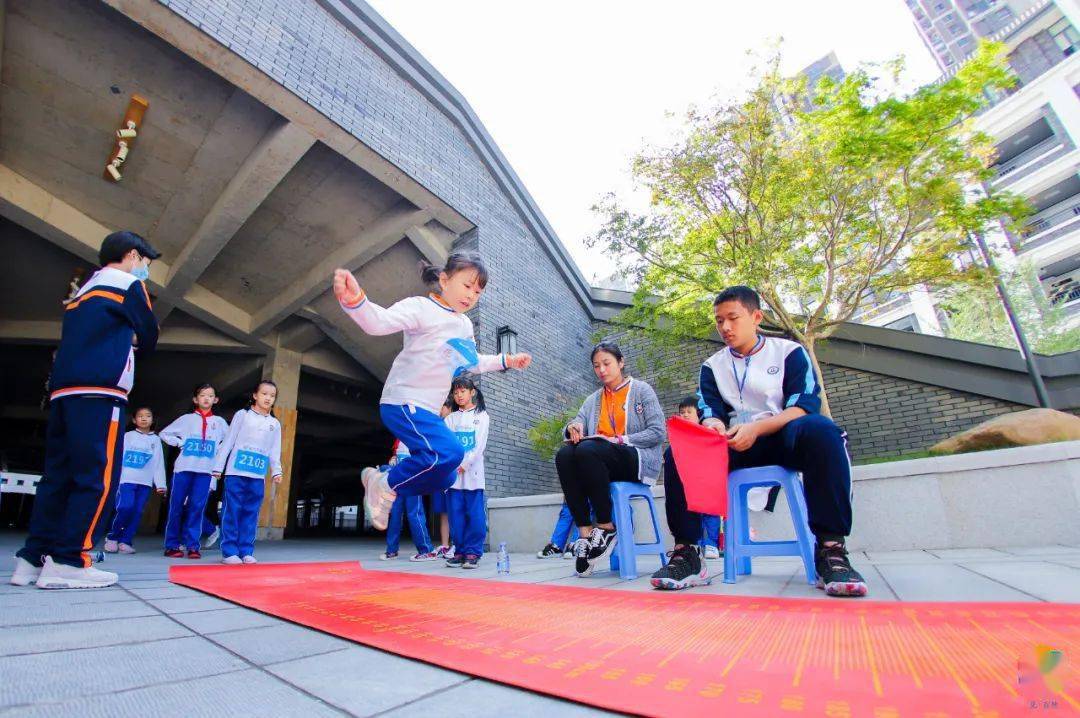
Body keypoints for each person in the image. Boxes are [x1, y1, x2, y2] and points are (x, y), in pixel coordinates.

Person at [651, 286, 868, 597]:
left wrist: (757, 428)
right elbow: (710, 412)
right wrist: (715, 427)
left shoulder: (789, 352)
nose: (725, 327)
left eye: (733, 318)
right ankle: (688, 553)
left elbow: (803, 405)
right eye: (719, 321)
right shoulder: (712, 366)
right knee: (679, 453)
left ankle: (831, 550)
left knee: (822, 431)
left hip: (781, 435)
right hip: (733, 442)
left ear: (756, 317)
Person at [333, 252, 531, 530]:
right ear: (444, 280)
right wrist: (355, 301)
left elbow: (471, 362)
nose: (471, 295)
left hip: (427, 411)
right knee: (451, 453)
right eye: (467, 285)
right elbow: (378, 322)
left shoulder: (464, 324)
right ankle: (385, 486)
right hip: (403, 401)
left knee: (445, 476)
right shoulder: (421, 307)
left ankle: (382, 480)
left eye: (478, 291)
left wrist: (506, 361)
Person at [12, 230, 159, 589]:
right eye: (145, 261)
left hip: (65, 392)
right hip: (101, 392)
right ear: (132, 255)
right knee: (96, 478)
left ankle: (33, 558)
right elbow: (149, 333)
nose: (146, 268)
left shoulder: (84, 289)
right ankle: (70, 559)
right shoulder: (129, 284)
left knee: (57, 478)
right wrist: (132, 340)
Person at [556, 341, 666, 577]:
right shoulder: (593, 399)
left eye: (606, 363)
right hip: (599, 461)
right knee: (564, 455)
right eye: (596, 366)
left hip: (635, 458)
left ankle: (606, 526)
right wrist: (573, 427)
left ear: (621, 362)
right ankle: (585, 534)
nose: (602, 370)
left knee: (588, 449)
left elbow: (658, 432)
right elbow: (577, 422)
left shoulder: (642, 390)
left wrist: (620, 440)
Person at [212, 381, 284, 564]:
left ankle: (246, 550)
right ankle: (229, 551)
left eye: (272, 395)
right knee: (232, 511)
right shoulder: (242, 415)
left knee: (251, 513)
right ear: (255, 395)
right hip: (236, 473)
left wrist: (276, 471)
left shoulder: (274, 424)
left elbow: (274, 450)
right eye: (264, 394)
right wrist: (218, 467)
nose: (268, 398)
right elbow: (229, 441)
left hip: (257, 475)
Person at [160, 384, 230, 559]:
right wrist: (180, 443)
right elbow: (164, 434)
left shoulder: (220, 422)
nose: (206, 398)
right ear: (195, 399)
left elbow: (229, 441)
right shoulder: (186, 419)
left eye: (210, 396)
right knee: (176, 507)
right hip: (184, 468)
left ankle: (192, 546)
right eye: (203, 395)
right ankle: (171, 545)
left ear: (216, 400)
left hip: (205, 471)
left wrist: (218, 451)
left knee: (197, 508)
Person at [104, 407, 166, 554]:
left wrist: (161, 484)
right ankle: (112, 537)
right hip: (126, 480)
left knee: (137, 511)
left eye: (148, 416)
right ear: (134, 420)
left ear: (152, 420)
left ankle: (125, 541)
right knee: (125, 507)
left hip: (145, 483)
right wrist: (114, 476)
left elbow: (158, 463)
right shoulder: (127, 436)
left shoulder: (156, 440)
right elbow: (118, 457)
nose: (144, 418)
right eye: (140, 416)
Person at [443, 376, 490, 569]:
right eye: (456, 392)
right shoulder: (450, 419)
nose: (459, 395)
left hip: (473, 475)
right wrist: (452, 465)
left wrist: (465, 464)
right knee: (456, 516)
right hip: (453, 476)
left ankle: (473, 552)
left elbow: (479, 446)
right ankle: (460, 551)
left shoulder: (482, 416)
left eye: (463, 391)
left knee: (475, 515)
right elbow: (446, 445)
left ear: (472, 392)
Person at [669, 395, 723, 560]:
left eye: (689, 411)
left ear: (699, 415)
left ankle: (711, 544)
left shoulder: (707, 432)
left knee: (710, 514)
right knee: (693, 514)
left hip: (707, 482)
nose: (685, 415)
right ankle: (696, 544)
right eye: (682, 412)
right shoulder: (679, 435)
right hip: (689, 485)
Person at [381, 439, 437, 561]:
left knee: (414, 515)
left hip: (413, 483)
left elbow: (427, 459)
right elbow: (396, 456)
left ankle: (427, 550)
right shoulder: (398, 439)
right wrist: (392, 460)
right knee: (395, 515)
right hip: (398, 483)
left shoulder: (417, 437)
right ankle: (391, 550)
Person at [432, 399, 456, 558]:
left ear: (448, 407)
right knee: (444, 512)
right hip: (439, 473)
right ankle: (445, 545)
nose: (439, 411)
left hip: (452, 473)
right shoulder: (437, 425)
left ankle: (457, 544)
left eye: (441, 407)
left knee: (455, 510)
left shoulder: (455, 423)